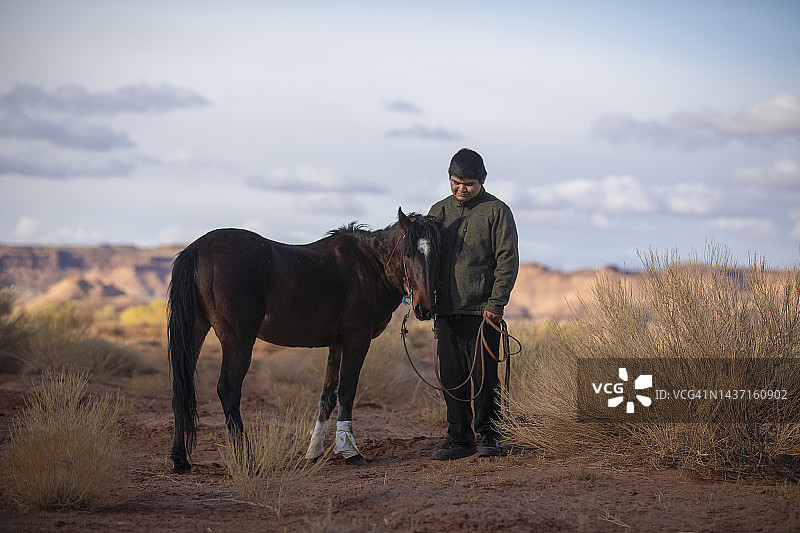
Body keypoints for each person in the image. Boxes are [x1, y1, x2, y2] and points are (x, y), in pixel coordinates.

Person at [427, 148, 519, 460]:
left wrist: (497, 303)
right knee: (452, 379)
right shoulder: (437, 211)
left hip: (484, 313)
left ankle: (490, 437)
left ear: (482, 179)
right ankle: (459, 440)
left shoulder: (497, 211)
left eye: (468, 183)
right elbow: (426, 260)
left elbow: (508, 260)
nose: (461, 189)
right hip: (447, 311)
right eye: (455, 182)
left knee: (484, 378)